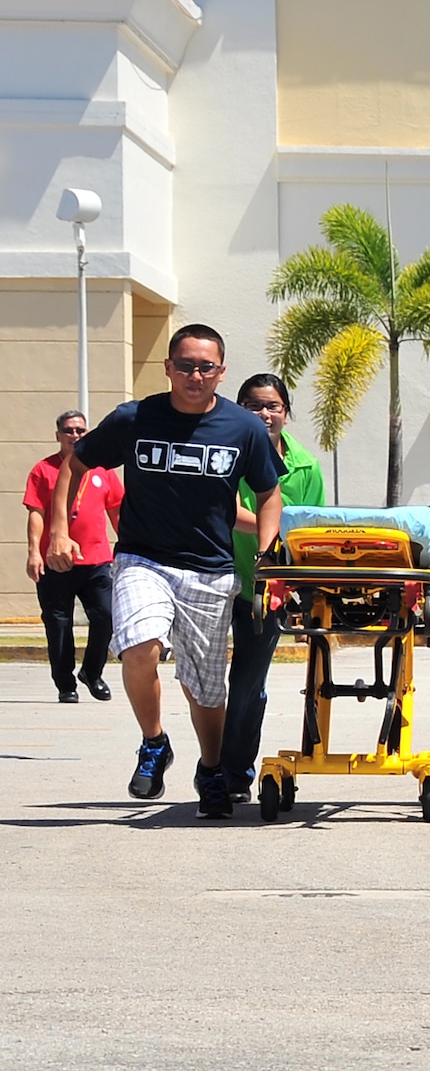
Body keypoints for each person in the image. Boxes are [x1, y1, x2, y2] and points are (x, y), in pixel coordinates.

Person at [46, 325, 282, 817]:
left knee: (205, 688)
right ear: (169, 367)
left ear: (221, 371)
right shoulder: (136, 417)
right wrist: (58, 531)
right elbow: (76, 465)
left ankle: (211, 771)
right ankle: (154, 743)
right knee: (139, 646)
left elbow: (267, 493)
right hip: (142, 558)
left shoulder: (244, 428)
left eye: (206, 367)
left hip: (210, 571)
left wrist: (265, 549)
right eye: (186, 365)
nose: (196, 376)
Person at [222, 375, 326, 801]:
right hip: (219, 575)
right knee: (215, 683)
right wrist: (278, 523)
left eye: (273, 406)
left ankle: (232, 775)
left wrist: (308, 598)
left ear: (286, 411)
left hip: (269, 590)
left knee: (248, 683)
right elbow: (226, 513)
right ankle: (219, 766)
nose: (264, 414)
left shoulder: (305, 465)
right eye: (253, 405)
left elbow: (313, 533)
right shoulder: (225, 452)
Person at [23, 410, 123, 703]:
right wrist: (33, 553)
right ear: (58, 436)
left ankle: (92, 672)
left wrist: (129, 545)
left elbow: (117, 510)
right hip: (56, 561)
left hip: (96, 560)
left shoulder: (102, 471)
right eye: (69, 431)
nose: (75, 435)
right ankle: (65, 684)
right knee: (59, 624)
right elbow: (36, 514)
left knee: (105, 615)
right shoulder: (44, 469)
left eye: (80, 430)